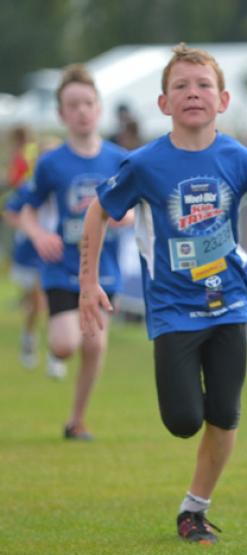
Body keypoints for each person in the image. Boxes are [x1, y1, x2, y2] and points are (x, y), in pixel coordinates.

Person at [78, 43, 247, 545]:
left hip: (231, 304)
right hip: (174, 309)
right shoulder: (145, 163)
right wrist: (88, 283)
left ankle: (194, 509)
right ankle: (193, 469)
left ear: (222, 100)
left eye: (203, 86)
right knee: (182, 421)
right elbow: (97, 211)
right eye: (181, 86)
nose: (192, 94)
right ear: (163, 104)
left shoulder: (239, 159)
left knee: (224, 412)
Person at [14, 65, 129, 438]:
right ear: (62, 114)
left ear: (98, 108)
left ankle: (76, 420)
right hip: (62, 265)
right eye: (72, 105)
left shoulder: (117, 160)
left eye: (87, 103)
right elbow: (21, 207)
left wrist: (124, 217)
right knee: (65, 346)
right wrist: (36, 234)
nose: (81, 111)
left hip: (103, 267)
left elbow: (133, 205)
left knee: (94, 347)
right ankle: (53, 344)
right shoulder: (51, 163)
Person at [4, 125, 43, 369]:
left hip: (53, 252)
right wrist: (32, 231)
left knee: (42, 297)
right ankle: (29, 335)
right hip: (29, 246)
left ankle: (51, 351)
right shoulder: (28, 185)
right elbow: (11, 210)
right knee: (34, 299)